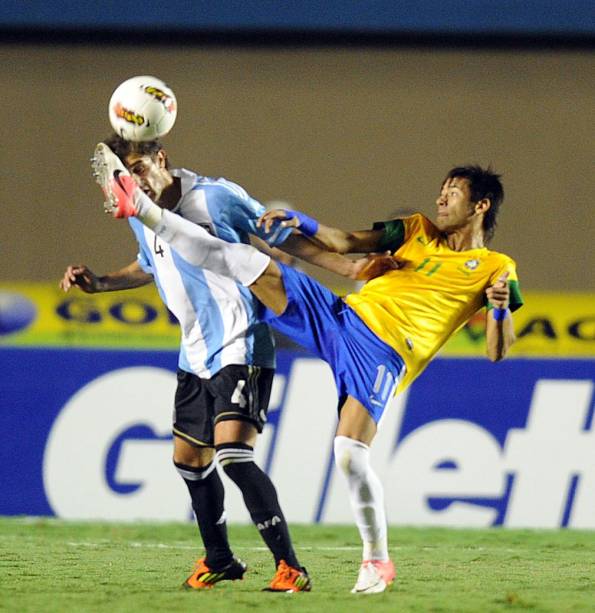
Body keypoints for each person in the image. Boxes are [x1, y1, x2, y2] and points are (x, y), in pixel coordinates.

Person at [93, 145, 523, 594]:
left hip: (384, 354)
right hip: (341, 318)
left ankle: (377, 561)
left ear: (481, 205)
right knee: (247, 263)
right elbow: (345, 243)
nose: (440, 200)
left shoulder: (496, 268)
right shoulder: (415, 229)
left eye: (452, 193)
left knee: (349, 455)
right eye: (441, 190)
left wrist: (497, 312)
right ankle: (142, 208)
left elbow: (497, 352)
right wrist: (305, 225)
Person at [61, 137, 387, 593]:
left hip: (241, 342)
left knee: (233, 454)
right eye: (126, 175)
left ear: (161, 159)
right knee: (189, 460)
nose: (134, 181)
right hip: (193, 352)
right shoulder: (140, 210)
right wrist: (101, 282)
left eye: (139, 168)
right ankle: (220, 558)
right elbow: (149, 264)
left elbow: (281, 234)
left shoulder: (215, 197)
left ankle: (290, 566)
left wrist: (346, 266)